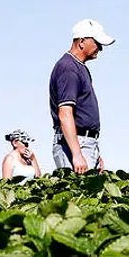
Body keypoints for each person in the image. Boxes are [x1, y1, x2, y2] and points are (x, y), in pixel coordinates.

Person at [49, 19, 114, 173]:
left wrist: (94, 152)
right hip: (76, 143)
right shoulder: (68, 68)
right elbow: (65, 113)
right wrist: (77, 154)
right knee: (78, 188)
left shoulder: (79, 67)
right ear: (82, 41)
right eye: (97, 43)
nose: (100, 48)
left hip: (85, 143)